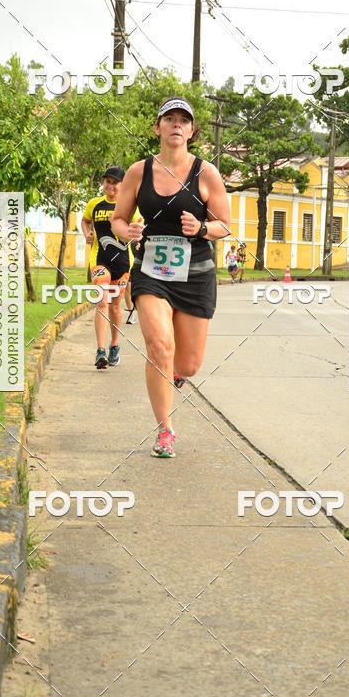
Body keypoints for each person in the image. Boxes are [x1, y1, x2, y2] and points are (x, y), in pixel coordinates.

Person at [111, 96, 231, 458]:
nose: (177, 124)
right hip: (151, 272)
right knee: (159, 346)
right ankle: (166, 431)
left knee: (189, 364)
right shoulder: (138, 172)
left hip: (196, 275)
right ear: (157, 127)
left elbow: (225, 225)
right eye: (170, 119)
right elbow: (118, 218)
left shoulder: (206, 173)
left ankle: (172, 373)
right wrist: (125, 231)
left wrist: (201, 228)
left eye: (184, 120)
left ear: (192, 131)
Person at [81, 166, 138, 369]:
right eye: (107, 181)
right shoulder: (94, 204)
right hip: (100, 260)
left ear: (123, 185)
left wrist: (131, 233)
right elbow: (85, 221)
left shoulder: (131, 206)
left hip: (122, 263)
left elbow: (137, 230)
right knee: (102, 301)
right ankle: (100, 351)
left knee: (115, 306)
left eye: (115, 182)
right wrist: (87, 233)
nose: (110, 185)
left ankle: (114, 344)